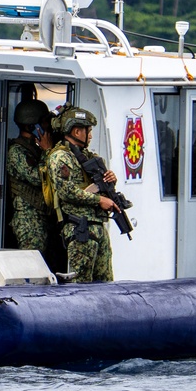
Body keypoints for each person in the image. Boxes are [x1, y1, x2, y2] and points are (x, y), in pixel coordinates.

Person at [44, 106, 117, 282]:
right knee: (81, 286)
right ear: (77, 131)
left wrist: (111, 179)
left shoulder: (89, 157)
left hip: (97, 227)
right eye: (88, 131)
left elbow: (102, 185)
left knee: (106, 283)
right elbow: (66, 191)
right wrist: (99, 200)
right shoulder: (60, 157)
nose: (91, 135)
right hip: (80, 231)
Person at [6, 100, 55, 253]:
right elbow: (37, 177)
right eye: (45, 122)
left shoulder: (35, 147)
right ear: (33, 126)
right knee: (32, 264)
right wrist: (48, 151)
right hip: (28, 219)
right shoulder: (17, 151)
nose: (48, 126)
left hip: (41, 215)